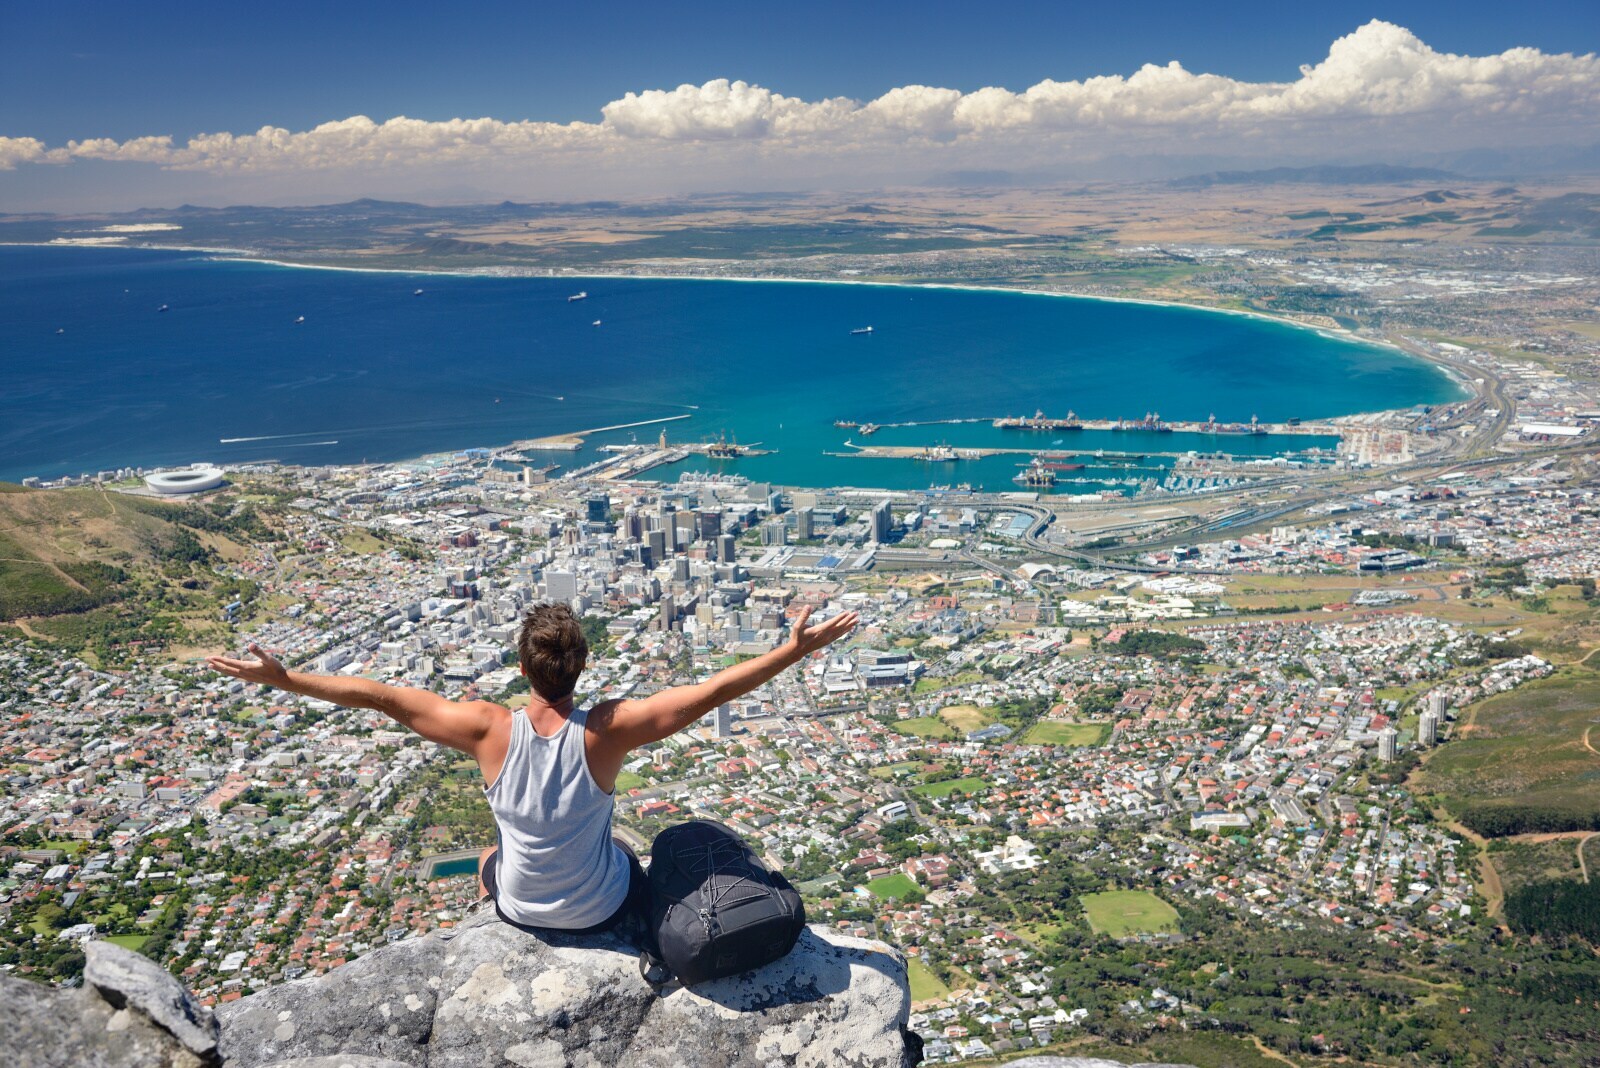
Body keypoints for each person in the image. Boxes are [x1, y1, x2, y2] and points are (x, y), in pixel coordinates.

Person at [206, 601, 858, 941]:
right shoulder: (607, 730)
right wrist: (793, 650)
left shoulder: (487, 728)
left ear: (522, 668)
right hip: (602, 909)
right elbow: (712, 692)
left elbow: (379, 696)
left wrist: (286, 679)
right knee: (627, 849)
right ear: (581, 667)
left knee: (491, 851)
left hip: (520, 908)